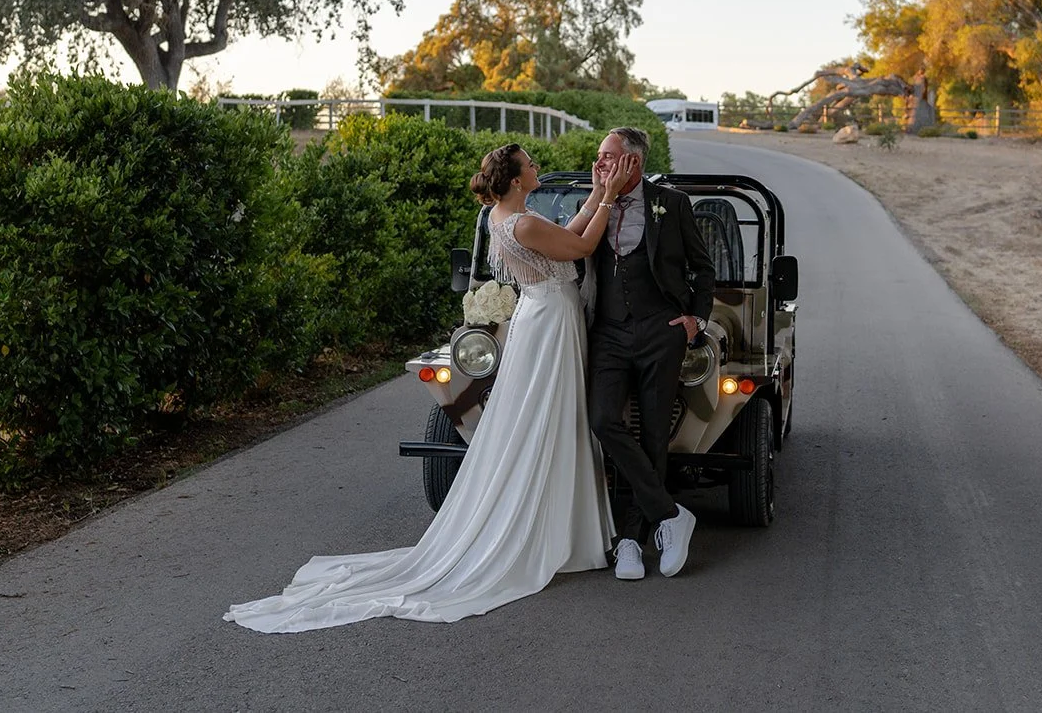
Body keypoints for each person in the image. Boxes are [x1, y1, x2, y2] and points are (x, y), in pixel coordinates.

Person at [223, 144, 636, 632]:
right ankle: (549, 531)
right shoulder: (522, 223)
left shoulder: (505, 217)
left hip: (544, 318)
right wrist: (607, 195)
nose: (537, 167)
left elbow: (565, 237)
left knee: (548, 419)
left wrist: (595, 194)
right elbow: (583, 247)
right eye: (531, 164)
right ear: (518, 178)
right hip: (549, 322)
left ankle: (562, 525)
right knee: (548, 418)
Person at [572, 126, 716, 582]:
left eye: (609, 156)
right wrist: (600, 196)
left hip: (661, 331)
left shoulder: (671, 205)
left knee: (655, 434)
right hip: (609, 332)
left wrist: (697, 319)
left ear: (634, 162)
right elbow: (572, 251)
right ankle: (671, 514)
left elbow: (702, 268)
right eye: (599, 155)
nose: (600, 163)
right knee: (602, 420)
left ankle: (631, 541)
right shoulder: (594, 200)